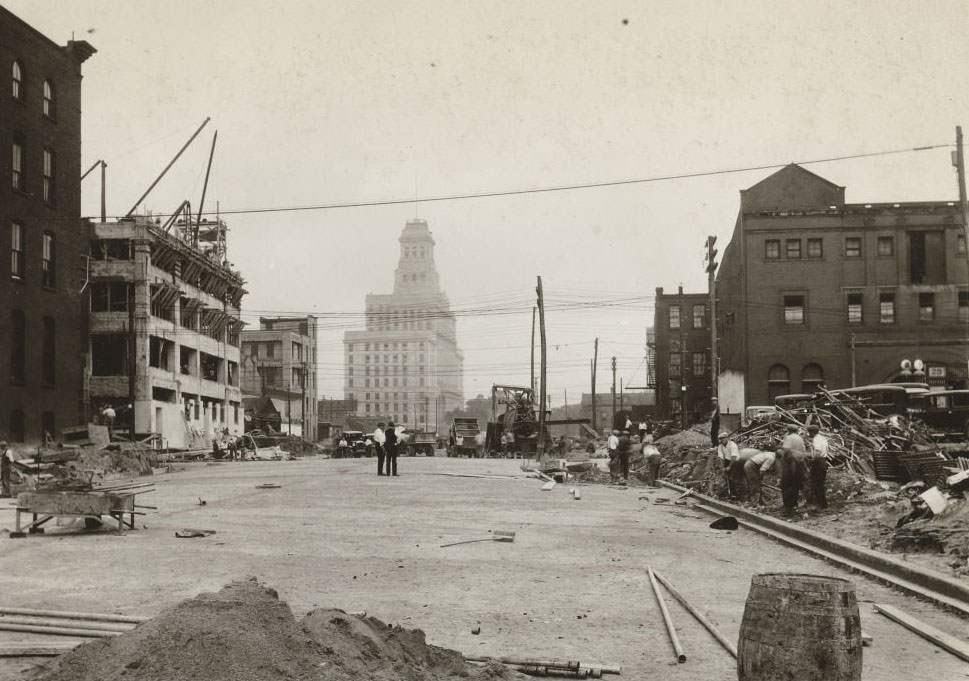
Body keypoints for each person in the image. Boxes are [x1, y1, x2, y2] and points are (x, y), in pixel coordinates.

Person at [778, 447, 808, 516]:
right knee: (793, 491)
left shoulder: (790, 456)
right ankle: (792, 507)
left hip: (792, 476)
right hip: (795, 476)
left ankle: (789, 509)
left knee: (789, 492)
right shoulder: (796, 455)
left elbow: (793, 469)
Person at [806, 424, 829, 509]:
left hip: (819, 462)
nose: (809, 434)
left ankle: (822, 504)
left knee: (817, 483)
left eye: (809, 432)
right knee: (819, 483)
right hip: (823, 461)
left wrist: (811, 459)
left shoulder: (816, 439)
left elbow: (818, 452)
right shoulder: (822, 438)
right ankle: (821, 503)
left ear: (812, 432)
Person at [716, 431, 741, 498]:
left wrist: (729, 467)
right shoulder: (720, 446)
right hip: (727, 460)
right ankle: (729, 492)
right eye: (720, 439)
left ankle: (736, 494)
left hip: (735, 461)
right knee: (726, 476)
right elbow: (721, 457)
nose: (722, 440)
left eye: (723, 438)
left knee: (732, 477)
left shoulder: (732, 445)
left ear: (727, 438)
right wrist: (722, 467)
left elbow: (734, 457)